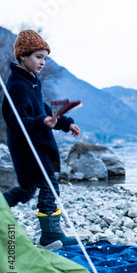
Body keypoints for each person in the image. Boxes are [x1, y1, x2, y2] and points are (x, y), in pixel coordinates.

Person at [2, 29, 80, 246]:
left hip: (39, 144)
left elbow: (43, 108)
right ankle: (51, 235)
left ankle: (2, 205)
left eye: (45, 58)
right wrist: (39, 122)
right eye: (38, 56)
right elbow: (15, 120)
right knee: (49, 186)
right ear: (22, 56)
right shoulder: (16, 86)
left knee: (28, 190)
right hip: (29, 148)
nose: (43, 62)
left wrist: (64, 122)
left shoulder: (32, 81)